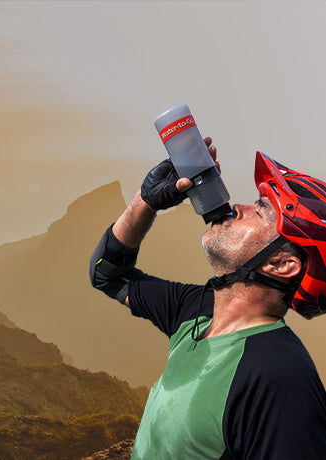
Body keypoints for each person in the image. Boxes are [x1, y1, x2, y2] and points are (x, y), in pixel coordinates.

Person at [89, 138, 326, 460]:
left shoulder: (281, 379)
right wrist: (145, 203)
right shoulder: (196, 309)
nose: (236, 207)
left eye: (259, 211)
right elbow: (108, 274)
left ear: (281, 265)